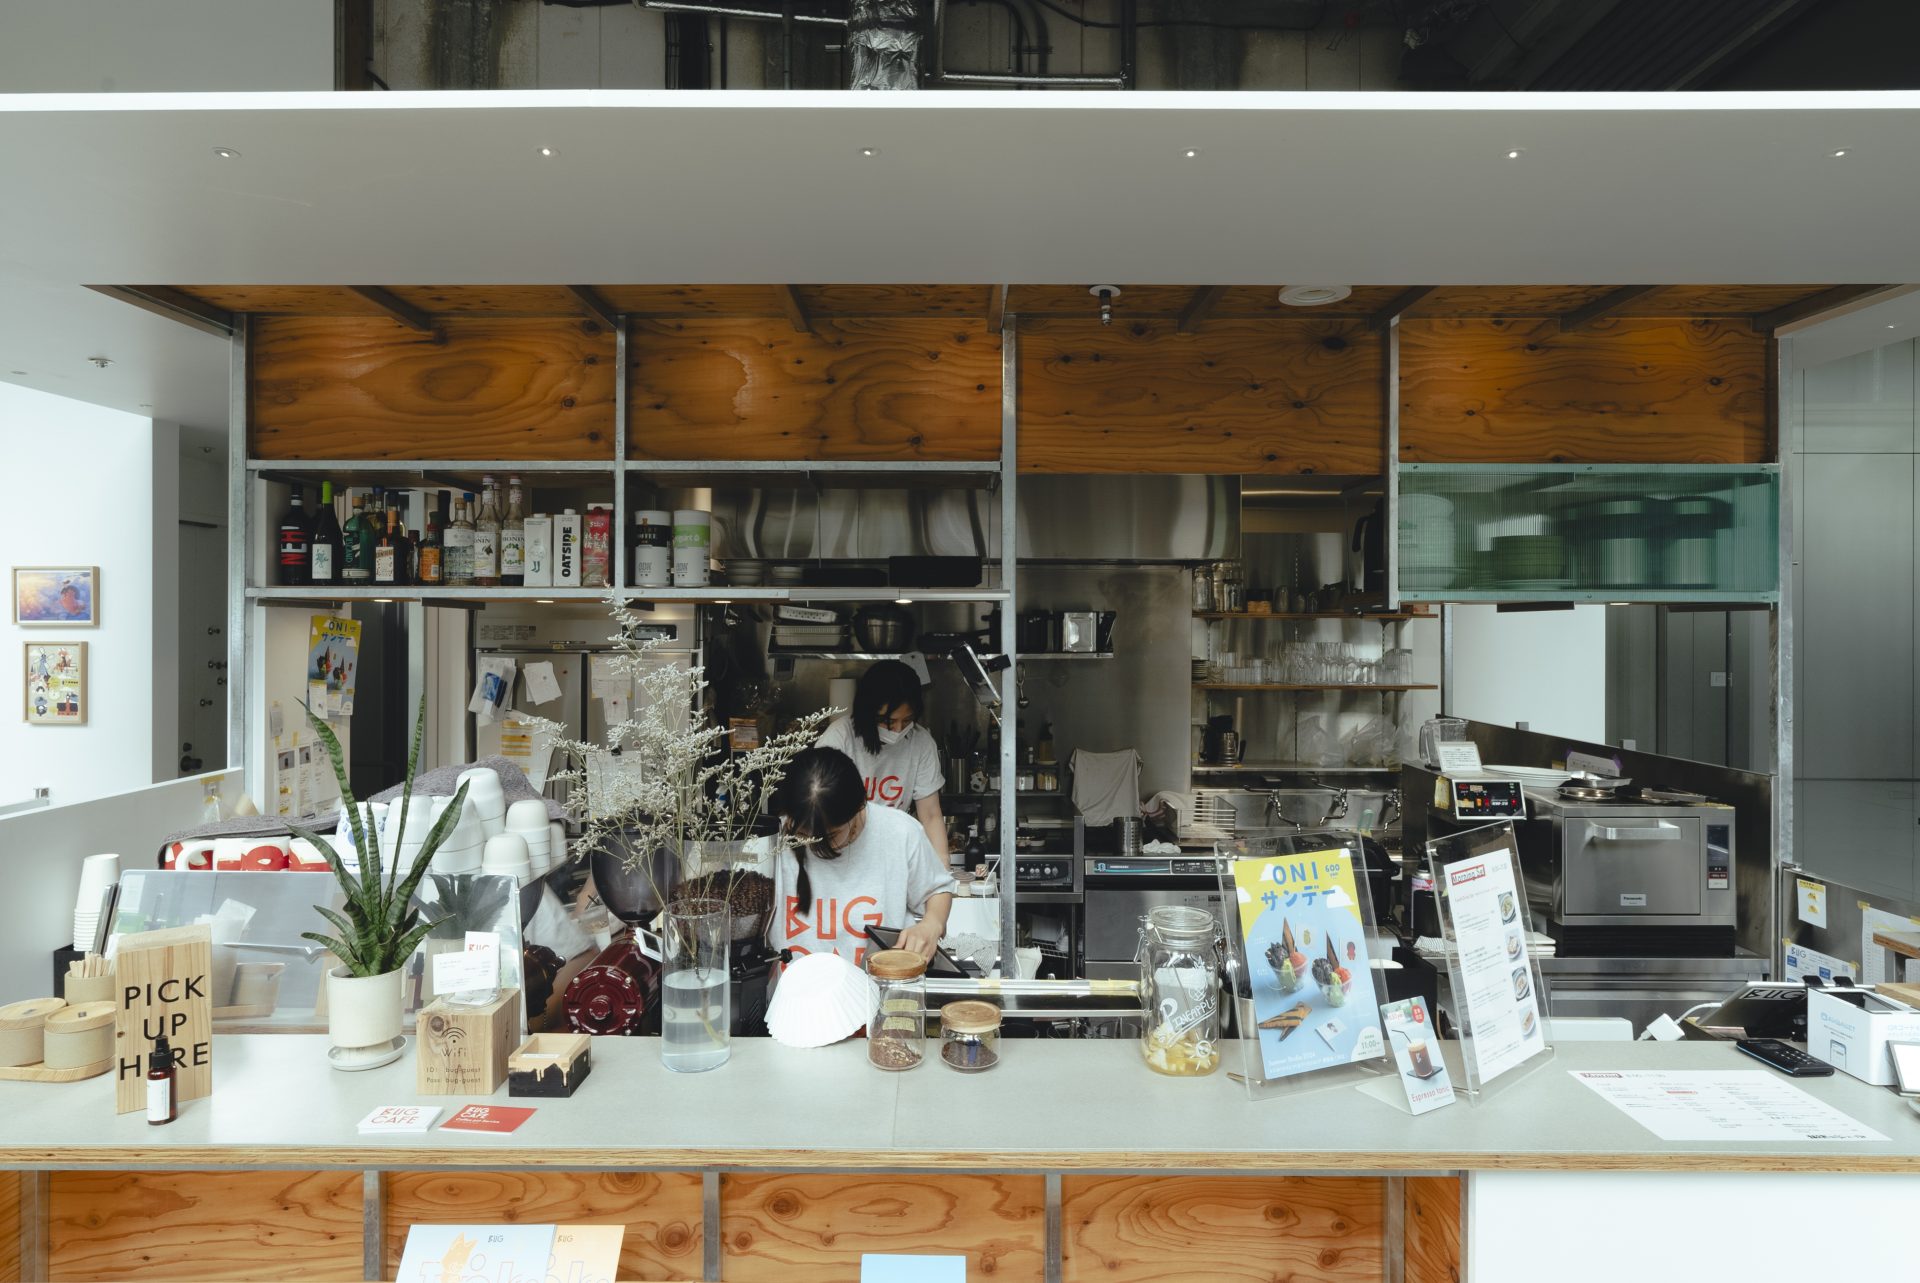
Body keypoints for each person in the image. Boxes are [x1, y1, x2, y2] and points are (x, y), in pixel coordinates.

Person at [767, 747, 955, 965]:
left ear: (859, 807)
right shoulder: (771, 841)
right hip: (792, 986)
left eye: (831, 835)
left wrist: (931, 924)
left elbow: (937, 889)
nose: (813, 844)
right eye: (801, 834)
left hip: (877, 983)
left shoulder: (899, 832)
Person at [816, 659, 950, 864]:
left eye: (906, 720)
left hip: (893, 855)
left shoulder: (921, 742)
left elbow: (931, 815)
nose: (897, 729)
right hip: (843, 855)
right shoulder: (838, 739)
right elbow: (821, 811)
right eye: (887, 721)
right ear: (866, 712)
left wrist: (943, 870)